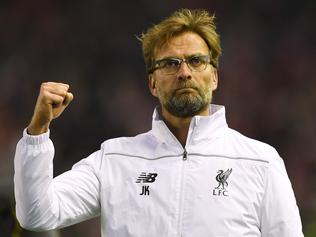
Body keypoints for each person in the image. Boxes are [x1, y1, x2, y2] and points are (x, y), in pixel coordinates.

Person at [14, 9, 304, 237]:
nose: (184, 73)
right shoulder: (114, 159)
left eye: (196, 61)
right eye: (170, 63)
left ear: (214, 76)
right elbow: (36, 214)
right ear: (152, 83)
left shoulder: (260, 162)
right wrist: (38, 131)